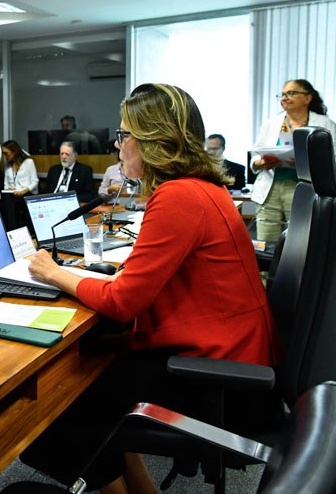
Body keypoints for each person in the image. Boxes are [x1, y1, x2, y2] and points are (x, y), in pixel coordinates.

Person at [22, 84, 279, 493]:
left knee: (56, 412)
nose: (118, 146)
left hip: (219, 379)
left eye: (123, 135)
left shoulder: (178, 196)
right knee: (92, 378)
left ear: (151, 140)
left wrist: (53, 272)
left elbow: (123, 301)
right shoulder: (203, 187)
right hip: (235, 360)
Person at [250, 79, 335, 241]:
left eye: (291, 93)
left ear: (307, 98)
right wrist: (260, 162)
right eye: (282, 95)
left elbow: (332, 159)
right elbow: (255, 154)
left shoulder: (325, 125)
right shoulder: (271, 123)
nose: (285, 98)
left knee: (299, 242)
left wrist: (305, 163)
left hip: (304, 188)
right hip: (270, 189)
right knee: (266, 243)